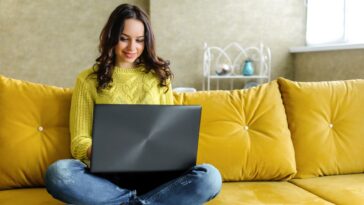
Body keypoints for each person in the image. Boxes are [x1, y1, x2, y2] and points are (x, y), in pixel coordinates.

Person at [44, 3, 222, 205]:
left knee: (210, 177)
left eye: (139, 40)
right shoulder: (87, 80)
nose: (132, 48)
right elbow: (79, 141)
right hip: (108, 180)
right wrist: (102, 150)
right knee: (58, 173)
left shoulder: (159, 77)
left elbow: (169, 132)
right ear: (111, 37)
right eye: (124, 39)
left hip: (157, 177)